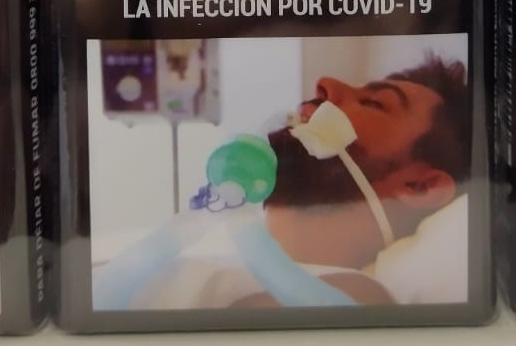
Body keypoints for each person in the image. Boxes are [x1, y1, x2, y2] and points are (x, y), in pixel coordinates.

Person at [101, 54, 469, 309]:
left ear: (420, 187)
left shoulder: (354, 298)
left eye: (374, 103)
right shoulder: (199, 252)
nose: (324, 84)